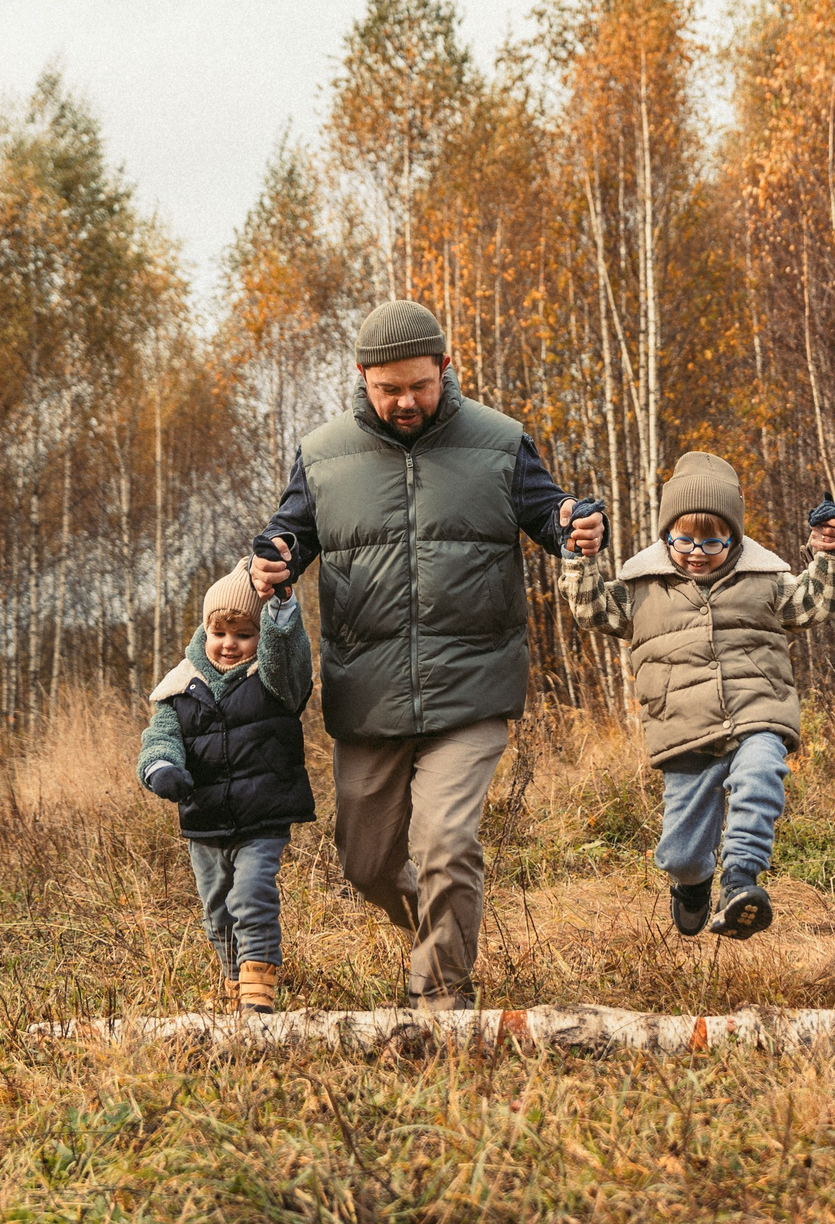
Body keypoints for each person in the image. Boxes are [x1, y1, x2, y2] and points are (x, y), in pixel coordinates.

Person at [250, 299, 605, 1011]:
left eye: (419, 384)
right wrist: (273, 562)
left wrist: (575, 528)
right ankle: (439, 936)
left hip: (471, 687)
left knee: (445, 841)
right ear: (361, 378)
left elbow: (552, 516)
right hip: (369, 691)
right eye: (389, 389)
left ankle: (442, 995)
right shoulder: (323, 456)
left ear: (446, 367)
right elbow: (288, 536)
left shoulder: (500, 443)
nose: (405, 401)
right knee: (367, 862)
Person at [557, 451, 835, 940]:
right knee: (681, 851)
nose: (697, 551)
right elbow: (591, 611)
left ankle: (741, 879)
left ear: (735, 537)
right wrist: (580, 557)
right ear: (665, 535)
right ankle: (692, 884)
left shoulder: (765, 580)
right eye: (684, 539)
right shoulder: (642, 588)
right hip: (685, 729)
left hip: (757, 711)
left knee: (761, 776)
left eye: (713, 540)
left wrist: (830, 553)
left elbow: (813, 604)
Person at [136, 563, 315, 1014]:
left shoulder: (274, 680)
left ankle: (258, 996)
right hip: (206, 821)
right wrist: (161, 767)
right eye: (220, 632)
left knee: (249, 896)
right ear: (205, 629)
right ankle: (234, 984)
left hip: (261, 819)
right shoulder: (180, 685)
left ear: (260, 639)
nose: (229, 644)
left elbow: (288, 656)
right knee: (217, 910)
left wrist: (279, 610)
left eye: (243, 634)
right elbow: (160, 737)